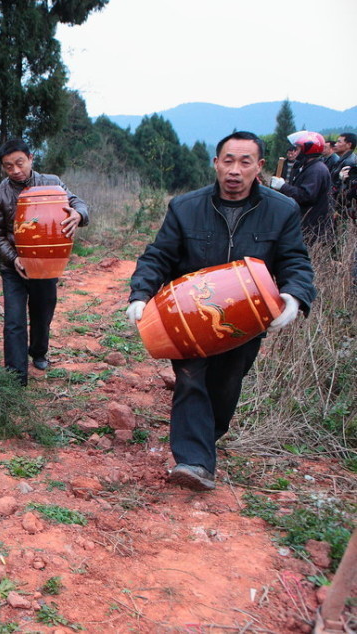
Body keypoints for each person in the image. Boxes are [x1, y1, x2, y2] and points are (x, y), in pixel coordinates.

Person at [127, 131, 315, 492]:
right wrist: (141, 293)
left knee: (226, 384)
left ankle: (205, 440)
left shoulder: (282, 210)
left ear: (259, 167)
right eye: (228, 160)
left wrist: (295, 296)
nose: (235, 170)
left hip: (247, 318)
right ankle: (194, 461)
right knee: (191, 377)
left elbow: (295, 261)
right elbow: (159, 255)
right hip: (188, 313)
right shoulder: (185, 207)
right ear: (216, 163)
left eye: (245, 162)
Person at [0, 139, 89, 386]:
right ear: (3, 168)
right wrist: (14, 258)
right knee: (14, 320)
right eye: (8, 166)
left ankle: (39, 352)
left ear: (31, 158)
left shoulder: (52, 183)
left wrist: (79, 214)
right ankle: (15, 375)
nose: (16, 170)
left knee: (43, 312)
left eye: (19, 163)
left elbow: (78, 203)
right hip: (14, 266)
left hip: (47, 262)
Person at [269, 131, 333, 244]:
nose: (295, 153)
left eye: (298, 149)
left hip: (312, 225)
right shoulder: (310, 167)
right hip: (308, 222)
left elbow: (306, 196)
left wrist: (283, 186)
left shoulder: (316, 170)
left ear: (306, 151)